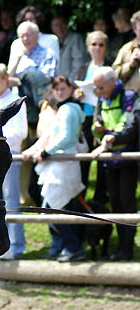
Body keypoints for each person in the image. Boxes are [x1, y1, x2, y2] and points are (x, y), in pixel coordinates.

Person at [22, 76, 85, 262]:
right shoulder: (65, 108)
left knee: (53, 207)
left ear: (71, 88)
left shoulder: (67, 109)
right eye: (56, 89)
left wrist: (46, 152)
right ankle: (64, 247)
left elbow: (66, 138)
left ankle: (74, 247)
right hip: (59, 163)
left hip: (62, 163)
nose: (59, 91)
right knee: (54, 206)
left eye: (63, 88)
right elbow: (50, 135)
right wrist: (33, 150)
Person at [89, 66, 137, 260]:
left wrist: (111, 138)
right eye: (96, 88)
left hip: (127, 158)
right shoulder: (101, 99)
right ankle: (121, 245)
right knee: (115, 203)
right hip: (109, 160)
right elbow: (96, 128)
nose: (97, 92)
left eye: (100, 88)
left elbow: (130, 128)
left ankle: (127, 247)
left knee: (127, 203)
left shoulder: (129, 97)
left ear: (112, 82)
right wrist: (97, 129)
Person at [0, 63, 28, 260]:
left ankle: (16, 245)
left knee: (11, 200)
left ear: (5, 79)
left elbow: (21, 132)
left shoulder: (16, 101)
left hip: (10, 155)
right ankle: (0, 243)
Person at [75, 30, 109, 203]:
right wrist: (78, 94)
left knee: (103, 161)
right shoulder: (82, 68)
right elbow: (76, 90)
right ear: (88, 47)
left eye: (101, 44)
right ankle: (81, 200)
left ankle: (100, 199)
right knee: (84, 160)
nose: (97, 48)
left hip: (104, 118)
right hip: (85, 118)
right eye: (94, 44)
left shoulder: (110, 67)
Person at [51, 16, 88, 82]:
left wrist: (70, 83)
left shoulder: (76, 39)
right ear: (52, 29)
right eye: (56, 25)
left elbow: (79, 63)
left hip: (70, 85)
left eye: (61, 24)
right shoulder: (54, 42)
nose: (59, 27)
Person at [112, 10, 140, 94]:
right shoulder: (126, 49)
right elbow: (114, 76)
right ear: (134, 29)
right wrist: (130, 65)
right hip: (132, 100)